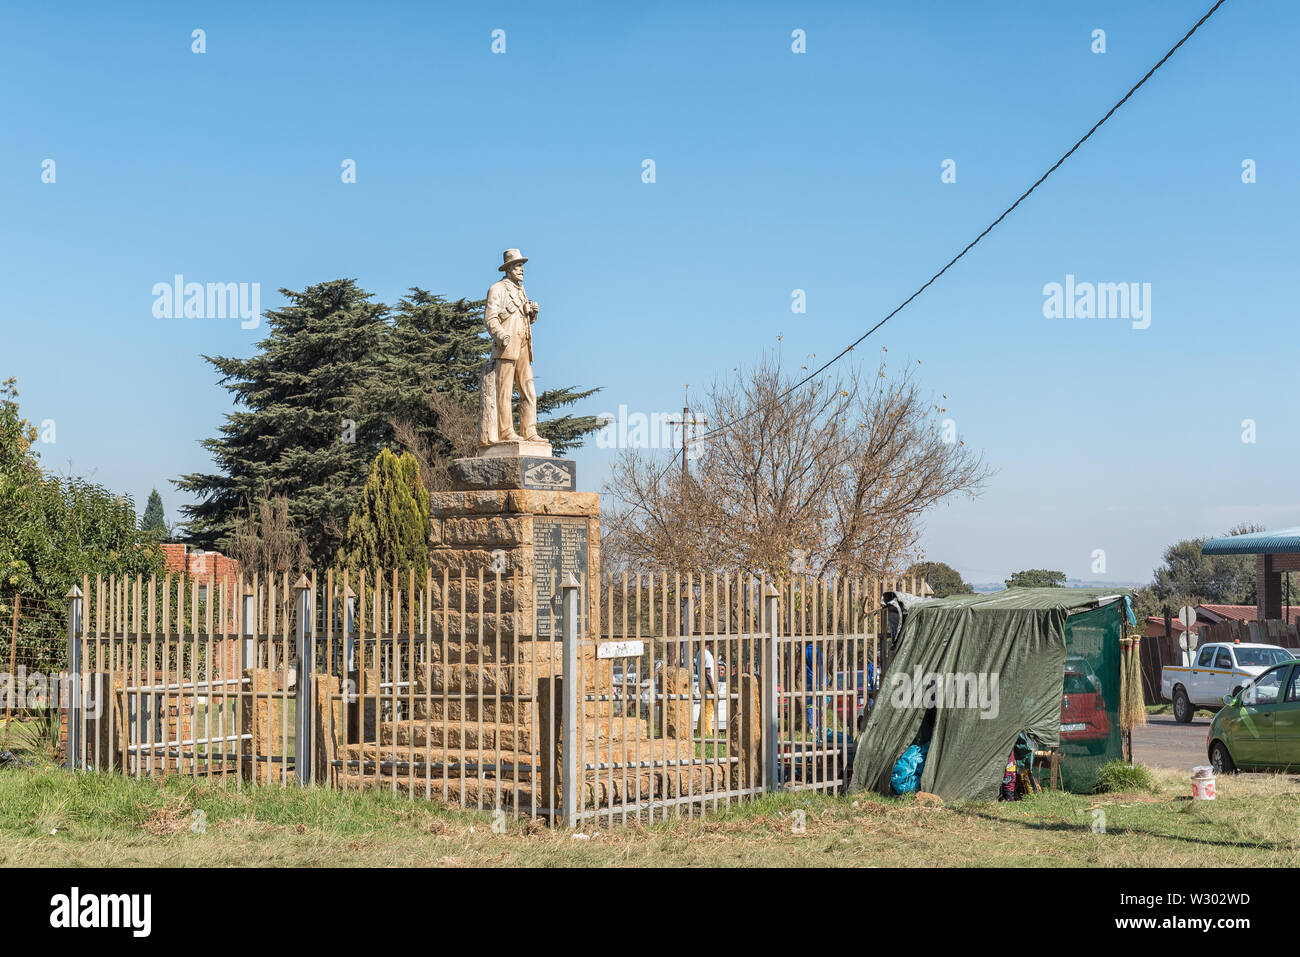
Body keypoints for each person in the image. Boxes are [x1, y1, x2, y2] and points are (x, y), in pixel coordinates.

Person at [480, 249, 543, 447]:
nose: (522, 269)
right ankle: (506, 431)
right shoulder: (497, 289)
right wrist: (501, 336)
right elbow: (490, 318)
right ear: (508, 269)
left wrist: (532, 314)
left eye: (522, 265)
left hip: (524, 345)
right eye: (517, 265)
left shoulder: (521, 290)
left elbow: (521, 318)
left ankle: (529, 430)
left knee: (529, 391)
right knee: (504, 392)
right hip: (506, 347)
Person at [696, 640, 717, 737]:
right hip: (707, 685)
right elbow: (708, 673)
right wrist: (714, 689)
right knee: (708, 710)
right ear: (710, 642)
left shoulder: (700, 652)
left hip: (701, 683)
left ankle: (700, 732)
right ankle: (707, 734)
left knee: (703, 709)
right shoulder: (707, 655)